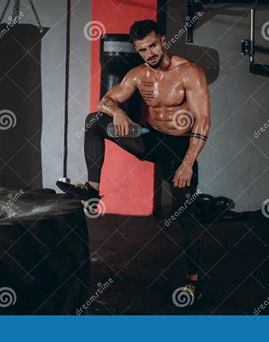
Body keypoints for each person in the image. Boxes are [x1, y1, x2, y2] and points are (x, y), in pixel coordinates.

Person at [57, 19, 210, 303]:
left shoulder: (189, 72)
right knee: (95, 120)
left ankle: (193, 282)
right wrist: (117, 112)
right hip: (152, 139)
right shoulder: (139, 74)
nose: (149, 53)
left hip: (179, 148)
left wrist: (188, 163)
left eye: (153, 45)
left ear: (163, 40)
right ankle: (92, 188)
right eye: (142, 50)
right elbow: (107, 99)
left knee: (186, 216)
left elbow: (203, 121)